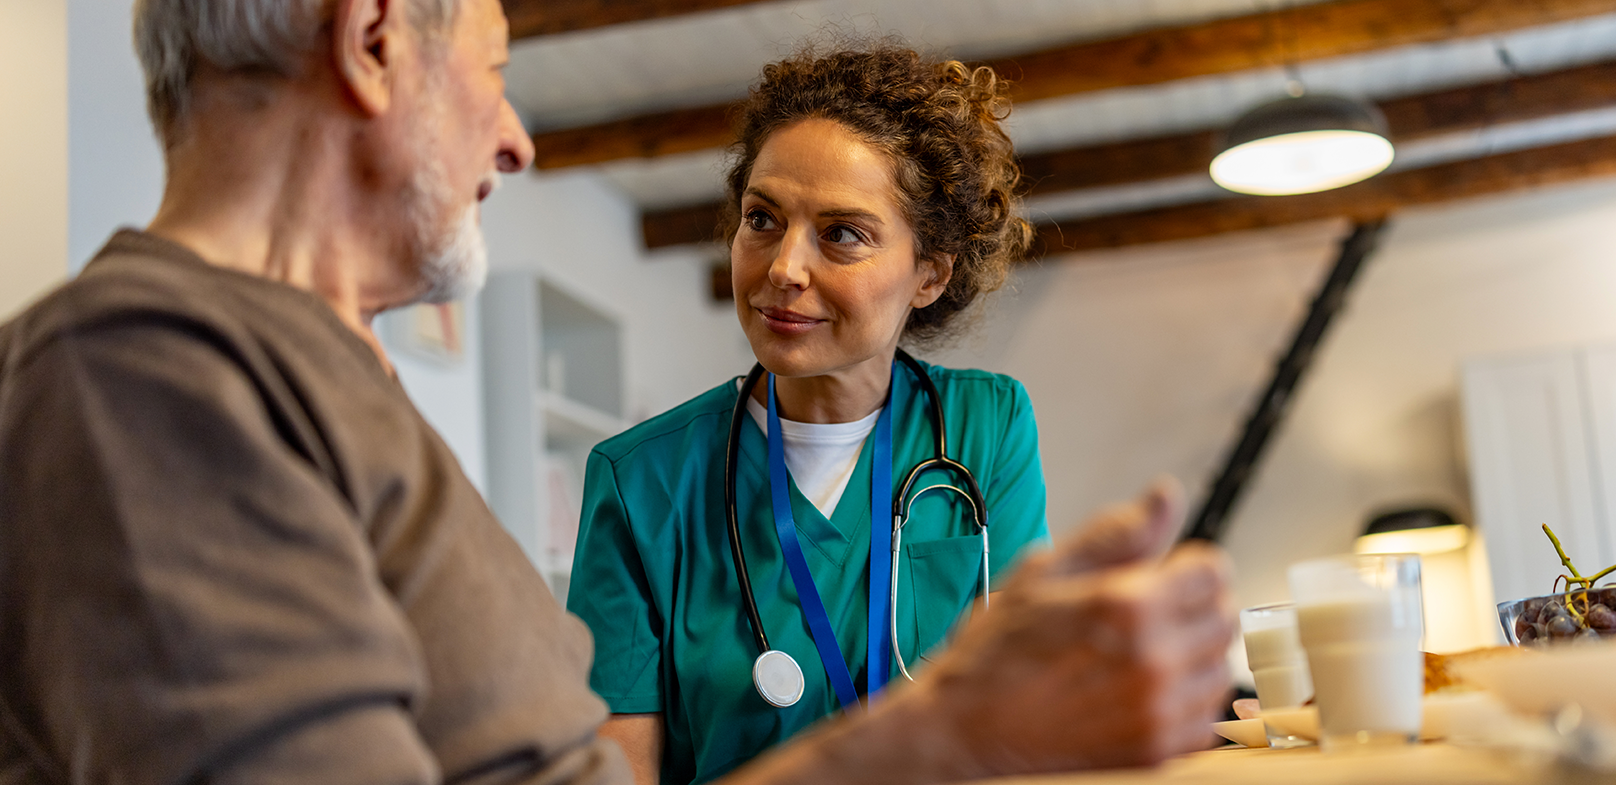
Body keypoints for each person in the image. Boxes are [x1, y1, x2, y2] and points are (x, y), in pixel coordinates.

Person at [0, 0, 1235, 783]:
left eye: (845, 236)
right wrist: (953, 732)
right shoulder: (144, 385)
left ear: (933, 274)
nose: (519, 141)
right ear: (374, 40)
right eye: (493, 66)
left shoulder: (318, 387)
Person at [565, 46, 1054, 784]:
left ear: (929, 272)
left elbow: (1025, 713)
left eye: (842, 233)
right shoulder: (642, 481)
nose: (783, 268)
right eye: (761, 218)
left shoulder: (985, 426)